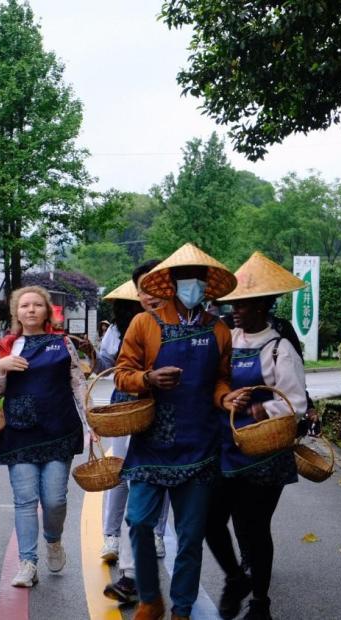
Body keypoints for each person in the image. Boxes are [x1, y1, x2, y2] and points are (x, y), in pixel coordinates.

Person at [115, 243, 249, 620]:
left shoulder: (218, 329)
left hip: (199, 444)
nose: (193, 286)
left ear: (207, 286)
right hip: (151, 443)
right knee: (139, 521)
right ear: (170, 284)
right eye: (184, 279)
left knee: (190, 536)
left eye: (199, 280)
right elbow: (123, 374)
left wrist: (226, 400)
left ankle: (183, 607)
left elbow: (220, 381)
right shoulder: (144, 323)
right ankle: (149, 598)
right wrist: (148, 377)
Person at [206, 251, 309, 620]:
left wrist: (266, 408)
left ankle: (260, 603)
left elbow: (295, 403)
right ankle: (236, 578)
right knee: (211, 520)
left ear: (263, 306)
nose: (236, 310)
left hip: (265, 453)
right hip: (226, 445)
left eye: (244, 304)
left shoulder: (280, 348)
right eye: (233, 304)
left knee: (253, 527)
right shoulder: (226, 340)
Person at [0, 285, 88, 588]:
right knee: (25, 501)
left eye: (36, 305)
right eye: (24, 305)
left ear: (47, 311)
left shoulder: (63, 343)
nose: (30, 310)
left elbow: (78, 384)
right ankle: (28, 563)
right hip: (19, 431)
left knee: (55, 499)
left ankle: (53, 540)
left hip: (59, 428)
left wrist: (91, 425)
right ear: (16, 312)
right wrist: (0, 368)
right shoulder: (7, 345)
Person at [96, 262, 171, 606]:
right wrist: (144, 379)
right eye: (144, 287)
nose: (151, 294)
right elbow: (116, 371)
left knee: (189, 513)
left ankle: (182, 601)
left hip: (183, 428)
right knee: (131, 480)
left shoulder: (200, 326)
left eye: (158, 286)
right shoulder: (132, 325)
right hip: (134, 413)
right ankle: (129, 573)